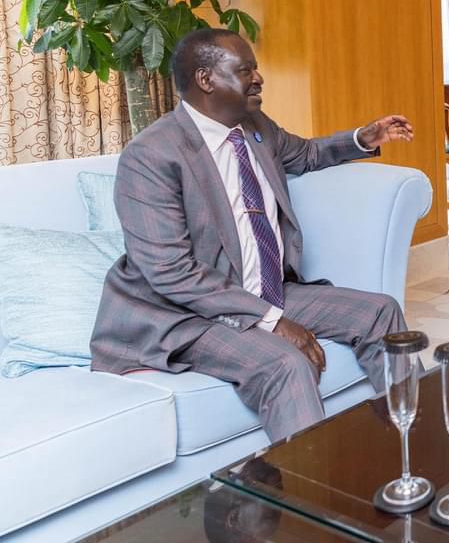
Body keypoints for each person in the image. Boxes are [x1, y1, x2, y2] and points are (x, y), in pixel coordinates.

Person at [90, 28, 414, 442]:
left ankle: (417, 444)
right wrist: (271, 320)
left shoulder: (256, 127)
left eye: (256, 69)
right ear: (206, 79)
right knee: (286, 363)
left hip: (264, 289)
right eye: (245, 70)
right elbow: (170, 272)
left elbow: (307, 154)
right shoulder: (152, 155)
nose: (259, 79)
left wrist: (362, 139)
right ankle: (316, 498)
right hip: (185, 314)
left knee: (380, 312)